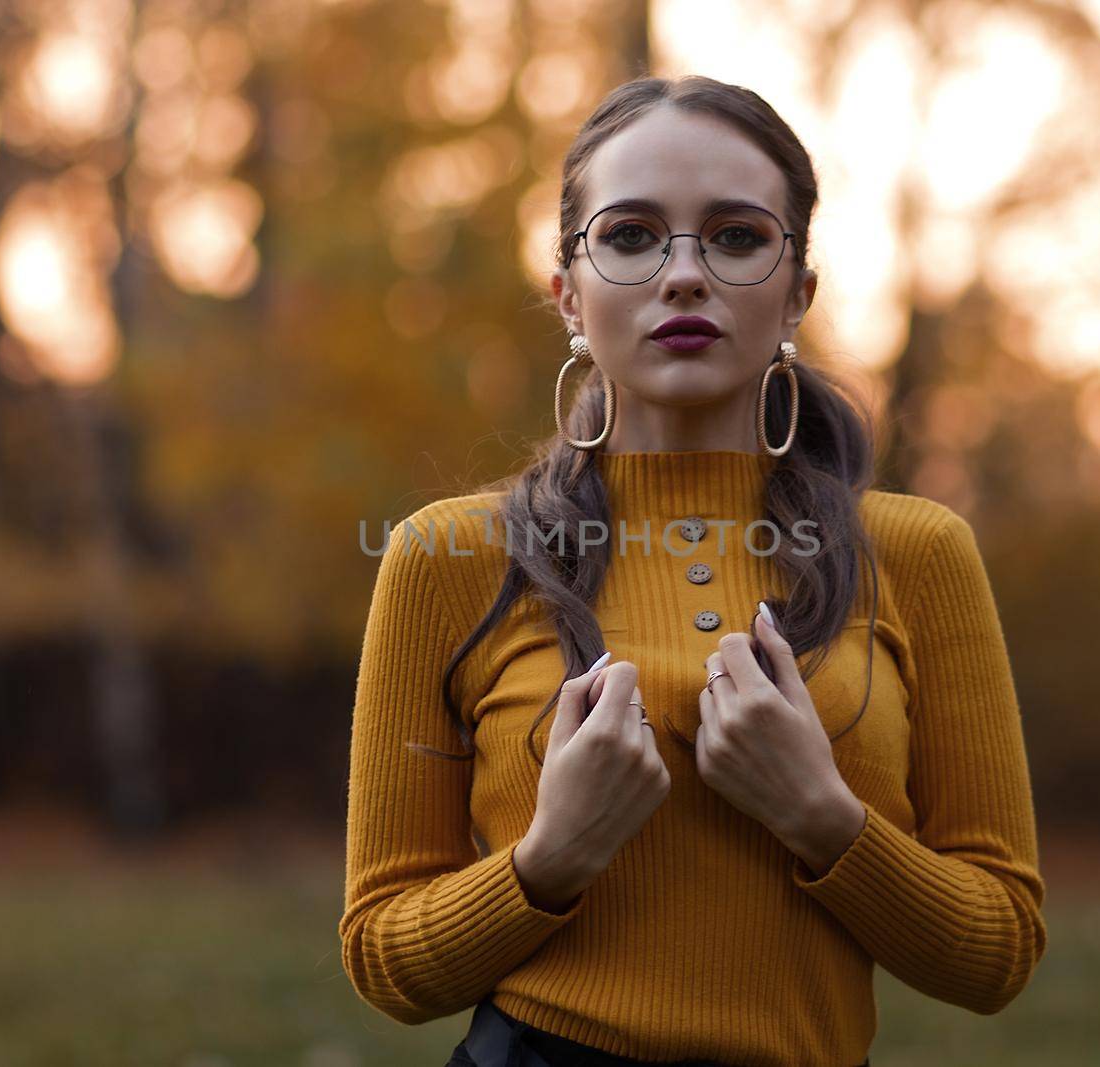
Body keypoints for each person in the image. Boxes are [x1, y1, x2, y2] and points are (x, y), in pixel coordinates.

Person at [339, 74, 1045, 1067]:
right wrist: (550, 857)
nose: (683, 274)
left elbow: (998, 949)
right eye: (630, 235)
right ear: (568, 294)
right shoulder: (444, 555)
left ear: (798, 290)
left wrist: (820, 813)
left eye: (735, 235)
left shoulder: (918, 553)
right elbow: (383, 959)